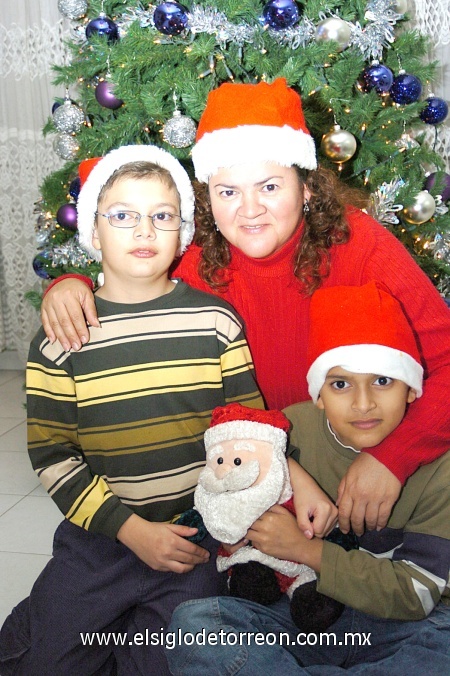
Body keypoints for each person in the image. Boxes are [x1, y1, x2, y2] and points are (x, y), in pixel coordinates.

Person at [39, 78, 450, 536]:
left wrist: (392, 460)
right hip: (262, 472)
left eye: (270, 186)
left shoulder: (361, 246)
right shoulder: (199, 261)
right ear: (208, 201)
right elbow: (130, 265)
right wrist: (70, 283)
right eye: (228, 192)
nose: (250, 210)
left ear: (307, 188)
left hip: (358, 451)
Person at [0, 144, 270, 676]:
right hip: (99, 538)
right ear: (93, 233)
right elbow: (53, 454)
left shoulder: (215, 321)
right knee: (45, 661)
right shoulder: (61, 339)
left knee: (179, 661)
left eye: (161, 217)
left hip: (192, 539)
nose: (144, 232)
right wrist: (127, 530)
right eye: (122, 216)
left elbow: (246, 427)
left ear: (182, 231)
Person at [165, 281, 450, 675]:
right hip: (295, 614)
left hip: (397, 627)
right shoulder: (290, 430)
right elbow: (226, 464)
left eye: (383, 381)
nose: (363, 402)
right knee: (194, 628)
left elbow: (417, 595)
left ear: (412, 390)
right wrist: (293, 471)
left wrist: (307, 550)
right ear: (318, 394)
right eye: (340, 384)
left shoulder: (440, 466)